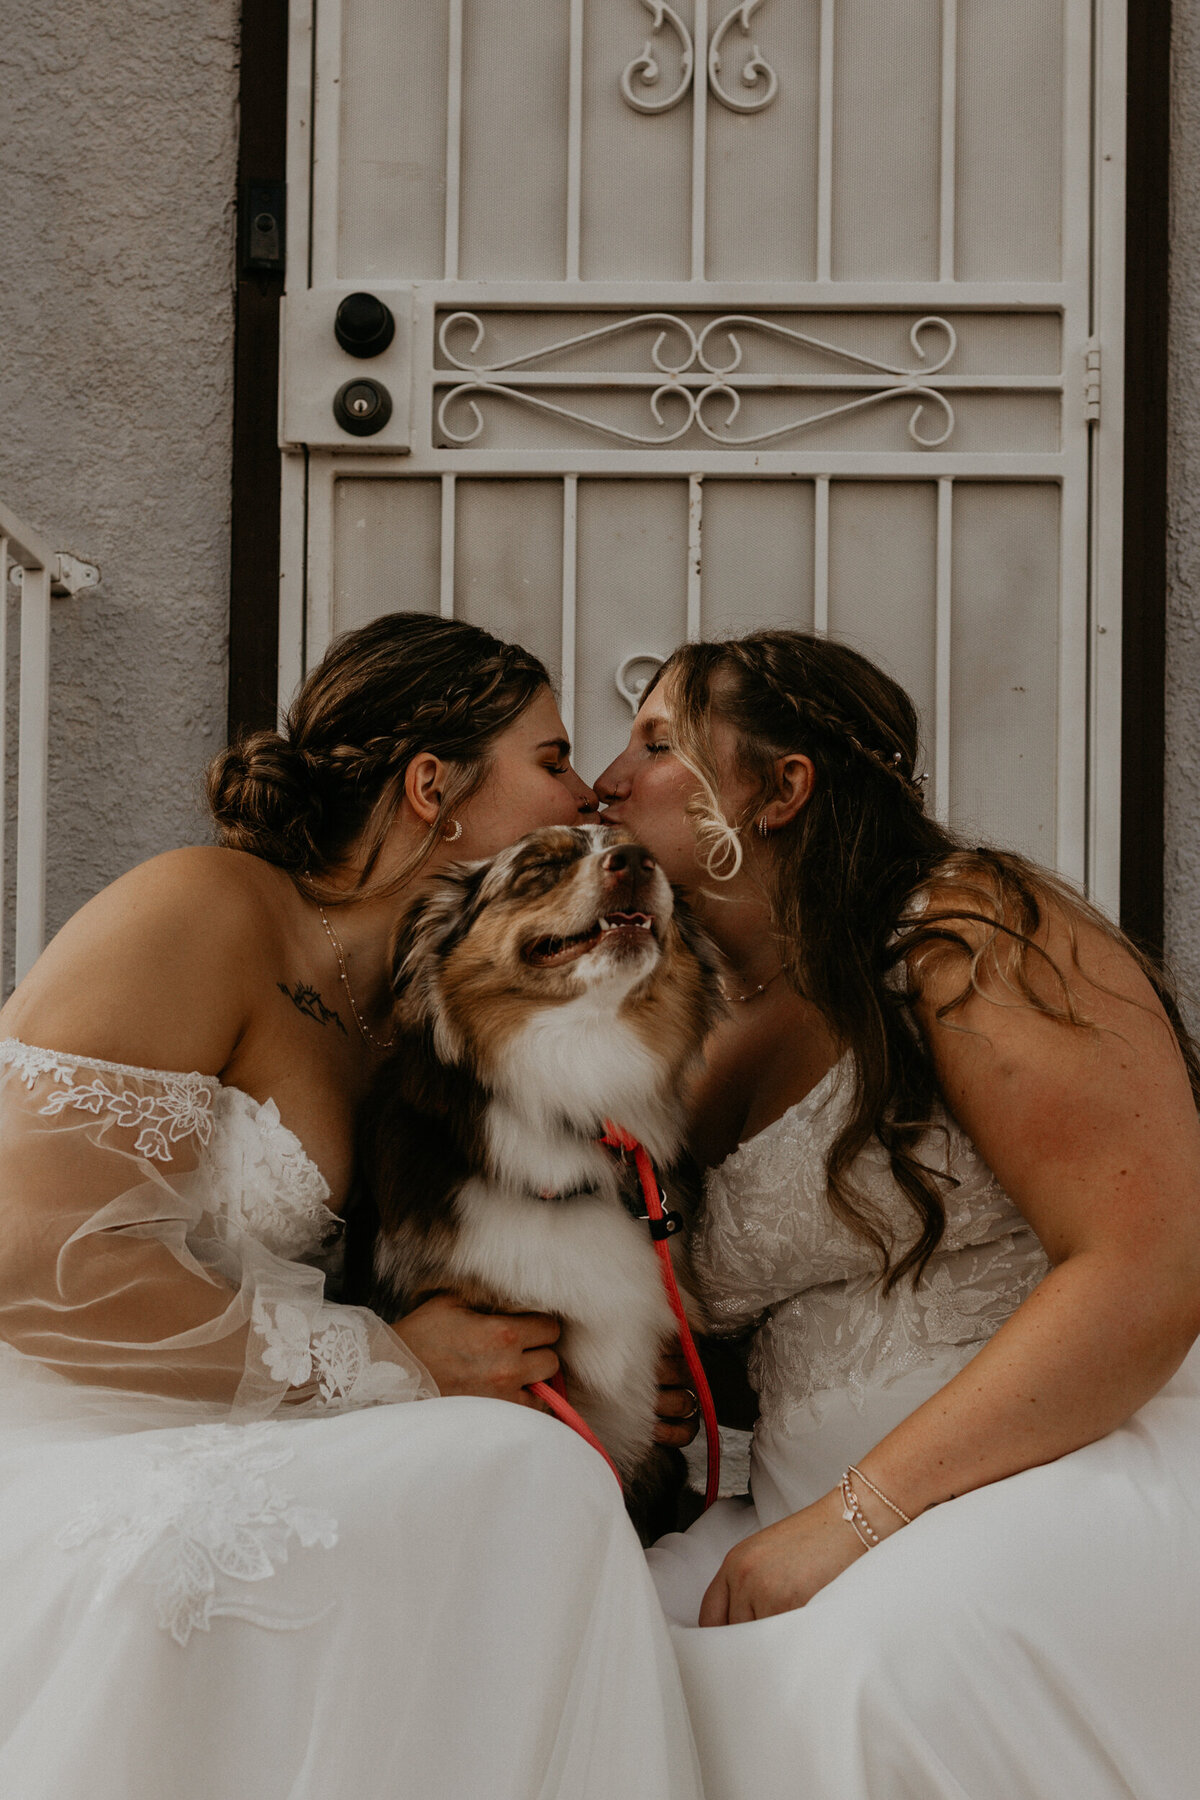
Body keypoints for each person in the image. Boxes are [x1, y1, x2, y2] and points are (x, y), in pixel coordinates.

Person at [0, 613, 704, 1800]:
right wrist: (391, 1364)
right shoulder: (201, 910)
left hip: (272, 1420)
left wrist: (615, 1378)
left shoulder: (415, 1009)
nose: (589, 792)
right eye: (551, 759)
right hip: (85, 1421)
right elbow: (32, 1266)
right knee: (523, 1480)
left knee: (537, 1471)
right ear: (433, 788)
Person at [594, 627, 1200, 1800]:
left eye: (658, 744)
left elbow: (1145, 1270)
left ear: (780, 790)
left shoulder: (967, 932)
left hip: (1044, 1480)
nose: (609, 782)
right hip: (786, 1512)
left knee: (877, 1676)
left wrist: (851, 1521)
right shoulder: (693, 1021)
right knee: (581, 1645)